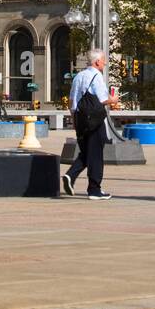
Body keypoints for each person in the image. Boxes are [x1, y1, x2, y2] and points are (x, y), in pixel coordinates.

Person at [62, 50, 113, 200]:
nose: (105, 63)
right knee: (96, 153)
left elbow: (72, 100)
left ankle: (70, 175)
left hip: (80, 119)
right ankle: (94, 189)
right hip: (94, 121)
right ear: (97, 62)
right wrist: (114, 99)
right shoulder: (96, 76)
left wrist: (74, 120)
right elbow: (103, 99)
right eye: (103, 60)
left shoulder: (79, 76)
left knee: (86, 152)